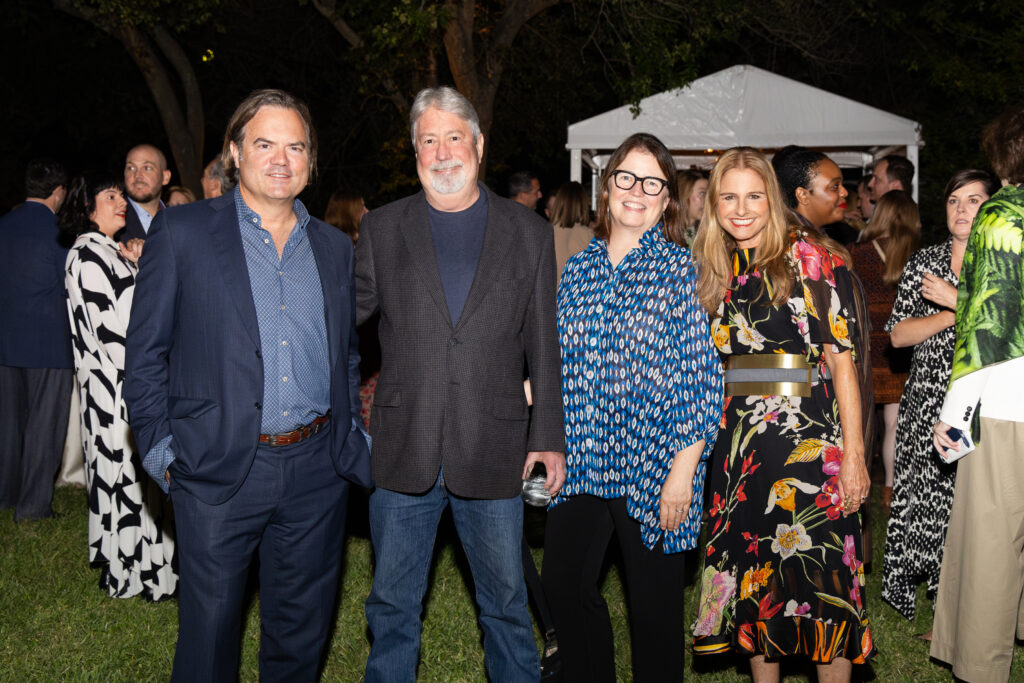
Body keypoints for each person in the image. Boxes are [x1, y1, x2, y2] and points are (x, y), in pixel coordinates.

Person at [125, 89, 371, 682]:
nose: (281, 159)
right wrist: (162, 453)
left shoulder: (336, 249)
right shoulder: (182, 232)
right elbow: (144, 354)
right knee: (209, 640)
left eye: (296, 147)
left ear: (311, 161)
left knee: (300, 634)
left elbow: (347, 354)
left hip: (318, 471)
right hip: (217, 466)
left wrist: (352, 438)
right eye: (265, 144)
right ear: (236, 153)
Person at [355, 86, 566, 682]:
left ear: (478, 143)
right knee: (392, 607)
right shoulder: (384, 228)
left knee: (504, 607)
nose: (443, 152)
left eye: (454, 137)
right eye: (429, 140)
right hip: (404, 447)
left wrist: (547, 433)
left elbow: (542, 343)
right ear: (414, 151)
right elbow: (340, 326)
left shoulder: (527, 232)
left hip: (494, 447)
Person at [542, 133, 722, 681]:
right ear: (607, 187)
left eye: (652, 182)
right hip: (582, 460)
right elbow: (558, 364)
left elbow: (701, 380)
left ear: (666, 199)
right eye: (626, 177)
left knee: (653, 611)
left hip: (655, 465)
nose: (636, 191)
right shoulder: (576, 271)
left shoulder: (681, 271)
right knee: (563, 591)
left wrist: (684, 472)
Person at [692, 147, 874, 679]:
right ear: (714, 204)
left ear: (772, 198)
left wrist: (856, 454)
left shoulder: (811, 257)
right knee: (754, 581)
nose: (741, 209)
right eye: (728, 197)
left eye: (753, 195)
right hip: (739, 451)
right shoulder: (713, 267)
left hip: (809, 442)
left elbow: (842, 362)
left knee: (825, 588)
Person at [881, 169, 998, 633]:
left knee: (971, 504)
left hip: (986, 397)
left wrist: (957, 300)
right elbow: (899, 334)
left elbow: (1005, 333)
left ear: (992, 207)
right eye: (954, 200)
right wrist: (953, 312)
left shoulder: (1003, 264)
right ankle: (938, 602)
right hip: (928, 395)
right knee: (928, 500)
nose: (963, 209)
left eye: (974, 200)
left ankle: (962, 609)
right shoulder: (924, 261)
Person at [931, 104, 1024, 682]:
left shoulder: (1002, 215)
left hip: (1010, 403)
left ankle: (982, 669)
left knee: (993, 542)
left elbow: (987, 324)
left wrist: (956, 413)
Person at [60, 170, 176, 599]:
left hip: (126, 385)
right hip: (114, 392)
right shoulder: (87, 256)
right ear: (87, 206)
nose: (121, 201)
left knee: (137, 481)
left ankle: (152, 569)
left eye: (119, 195)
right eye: (110, 195)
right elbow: (114, 337)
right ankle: (134, 575)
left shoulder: (108, 252)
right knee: (124, 480)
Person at [0, 158, 72, 522]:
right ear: (59, 193)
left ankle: (5, 494)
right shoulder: (59, 232)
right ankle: (32, 507)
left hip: (5, 343)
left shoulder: (4, 225)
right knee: (43, 429)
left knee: (8, 428)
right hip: (49, 345)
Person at [850, 190, 919, 514]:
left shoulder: (857, 253)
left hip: (865, 348)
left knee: (861, 424)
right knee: (894, 425)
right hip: (899, 350)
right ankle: (890, 487)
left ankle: (857, 481)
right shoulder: (917, 255)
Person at [120, 144, 171, 240]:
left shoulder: (179, 220)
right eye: (131, 168)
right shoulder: (112, 221)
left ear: (165, 177)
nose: (137, 175)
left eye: (147, 168)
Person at [549, 180, 593, 279]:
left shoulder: (545, 232)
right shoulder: (590, 237)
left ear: (559, 202)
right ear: (584, 204)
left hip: (549, 293)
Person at [678, 169, 708, 245]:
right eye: (702, 193)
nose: (707, 200)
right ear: (685, 195)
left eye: (708, 195)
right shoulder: (667, 236)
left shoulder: (706, 234)